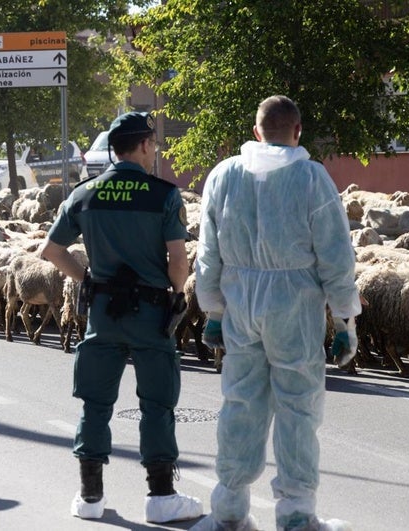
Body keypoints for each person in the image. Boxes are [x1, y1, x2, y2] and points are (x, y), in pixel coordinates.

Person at [191, 96, 361, 531]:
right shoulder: (311, 178)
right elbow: (336, 254)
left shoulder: (224, 175)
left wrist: (212, 310)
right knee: (298, 407)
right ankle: (296, 514)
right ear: (298, 131)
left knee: (240, 402)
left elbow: (207, 253)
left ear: (256, 132)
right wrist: (344, 318)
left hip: (240, 306)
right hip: (295, 306)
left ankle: (229, 510)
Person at [41, 112, 203, 524]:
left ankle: (91, 496)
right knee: (157, 404)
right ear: (145, 145)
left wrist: (88, 280)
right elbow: (179, 261)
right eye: (154, 143)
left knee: (95, 403)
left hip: (104, 313)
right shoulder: (164, 195)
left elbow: (52, 252)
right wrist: (177, 295)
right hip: (151, 314)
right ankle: (161, 497)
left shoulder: (84, 194)